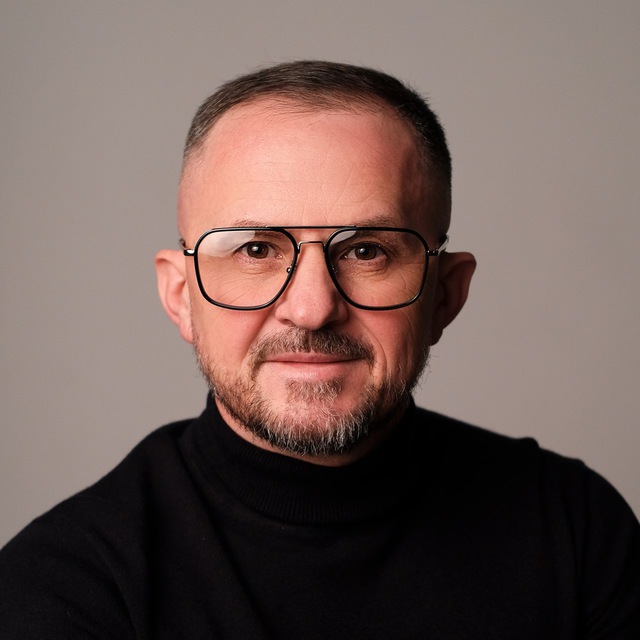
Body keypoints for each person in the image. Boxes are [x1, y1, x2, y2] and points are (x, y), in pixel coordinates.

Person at [1, 60, 639, 638]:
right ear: (180, 296)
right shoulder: (65, 589)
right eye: (255, 249)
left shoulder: (577, 531)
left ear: (445, 294)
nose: (310, 308)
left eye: (366, 250)